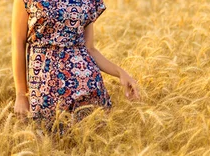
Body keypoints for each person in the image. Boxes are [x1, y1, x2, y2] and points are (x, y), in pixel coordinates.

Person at [11, 0, 140, 133]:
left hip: (88, 88)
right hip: (45, 91)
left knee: (90, 147)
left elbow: (89, 49)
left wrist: (121, 73)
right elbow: (18, 45)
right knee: (49, 145)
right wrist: (21, 94)